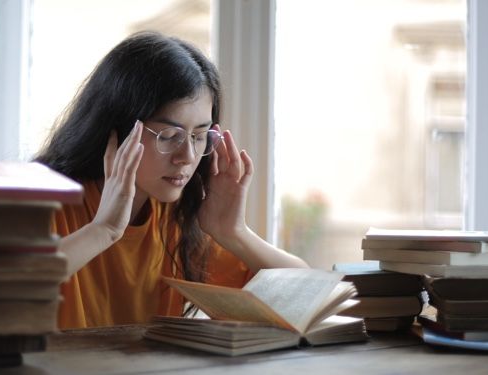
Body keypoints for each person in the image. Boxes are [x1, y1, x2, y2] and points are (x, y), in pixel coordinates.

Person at [35, 31, 308, 329]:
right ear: (116, 130)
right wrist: (104, 229)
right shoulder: (45, 202)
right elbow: (0, 287)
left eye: (199, 136)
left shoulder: (175, 218)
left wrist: (233, 232)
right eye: (168, 136)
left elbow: (304, 294)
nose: (187, 156)